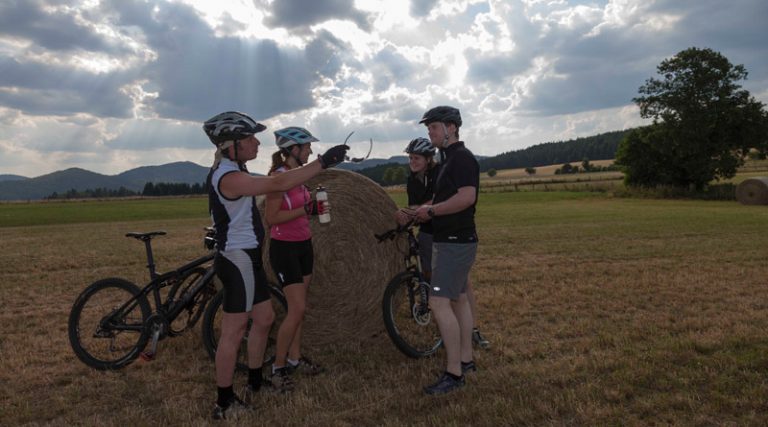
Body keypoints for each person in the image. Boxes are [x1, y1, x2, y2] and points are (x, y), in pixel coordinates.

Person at [203, 111, 348, 420]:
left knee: (265, 318)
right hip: (236, 257)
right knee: (233, 330)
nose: (256, 143)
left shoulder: (235, 169)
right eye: (249, 138)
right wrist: (322, 162)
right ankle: (224, 402)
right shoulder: (228, 176)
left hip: (250, 255)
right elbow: (278, 182)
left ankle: (256, 382)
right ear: (231, 145)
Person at [395, 138, 490, 350]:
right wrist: (406, 214)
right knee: (431, 276)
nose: (412, 161)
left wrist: (419, 210)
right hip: (428, 234)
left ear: (429, 159)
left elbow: (439, 200)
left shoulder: (439, 173)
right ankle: (450, 324)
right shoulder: (412, 180)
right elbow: (414, 207)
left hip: (447, 232)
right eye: (410, 158)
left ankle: (472, 330)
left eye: (417, 158)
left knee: (462, 284)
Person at [413, 106, 479, 395]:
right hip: (453, 239)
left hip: (454, 240)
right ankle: (465, 360)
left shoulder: (461, 159)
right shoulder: (447, 159)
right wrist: (420, 210)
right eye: (429, 128)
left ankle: (453, 373)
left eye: (434, 127)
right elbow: (445, 198)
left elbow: (467, 197)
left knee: (440, 303)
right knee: (460, 299)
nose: (430, 132)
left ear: (451, 128)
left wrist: (433, 210)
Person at [264, 127, 326, 392]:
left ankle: (294, 359)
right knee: (298, 309)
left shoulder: (299, 178)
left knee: (298, 309)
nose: (310, 150)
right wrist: (306, 208)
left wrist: (313, 206)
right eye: (307, 147)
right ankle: (278, 368)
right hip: (284, 249)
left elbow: (304, 211)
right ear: (293, 150)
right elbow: (272, 218)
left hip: (304, 246)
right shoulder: (277, 179)